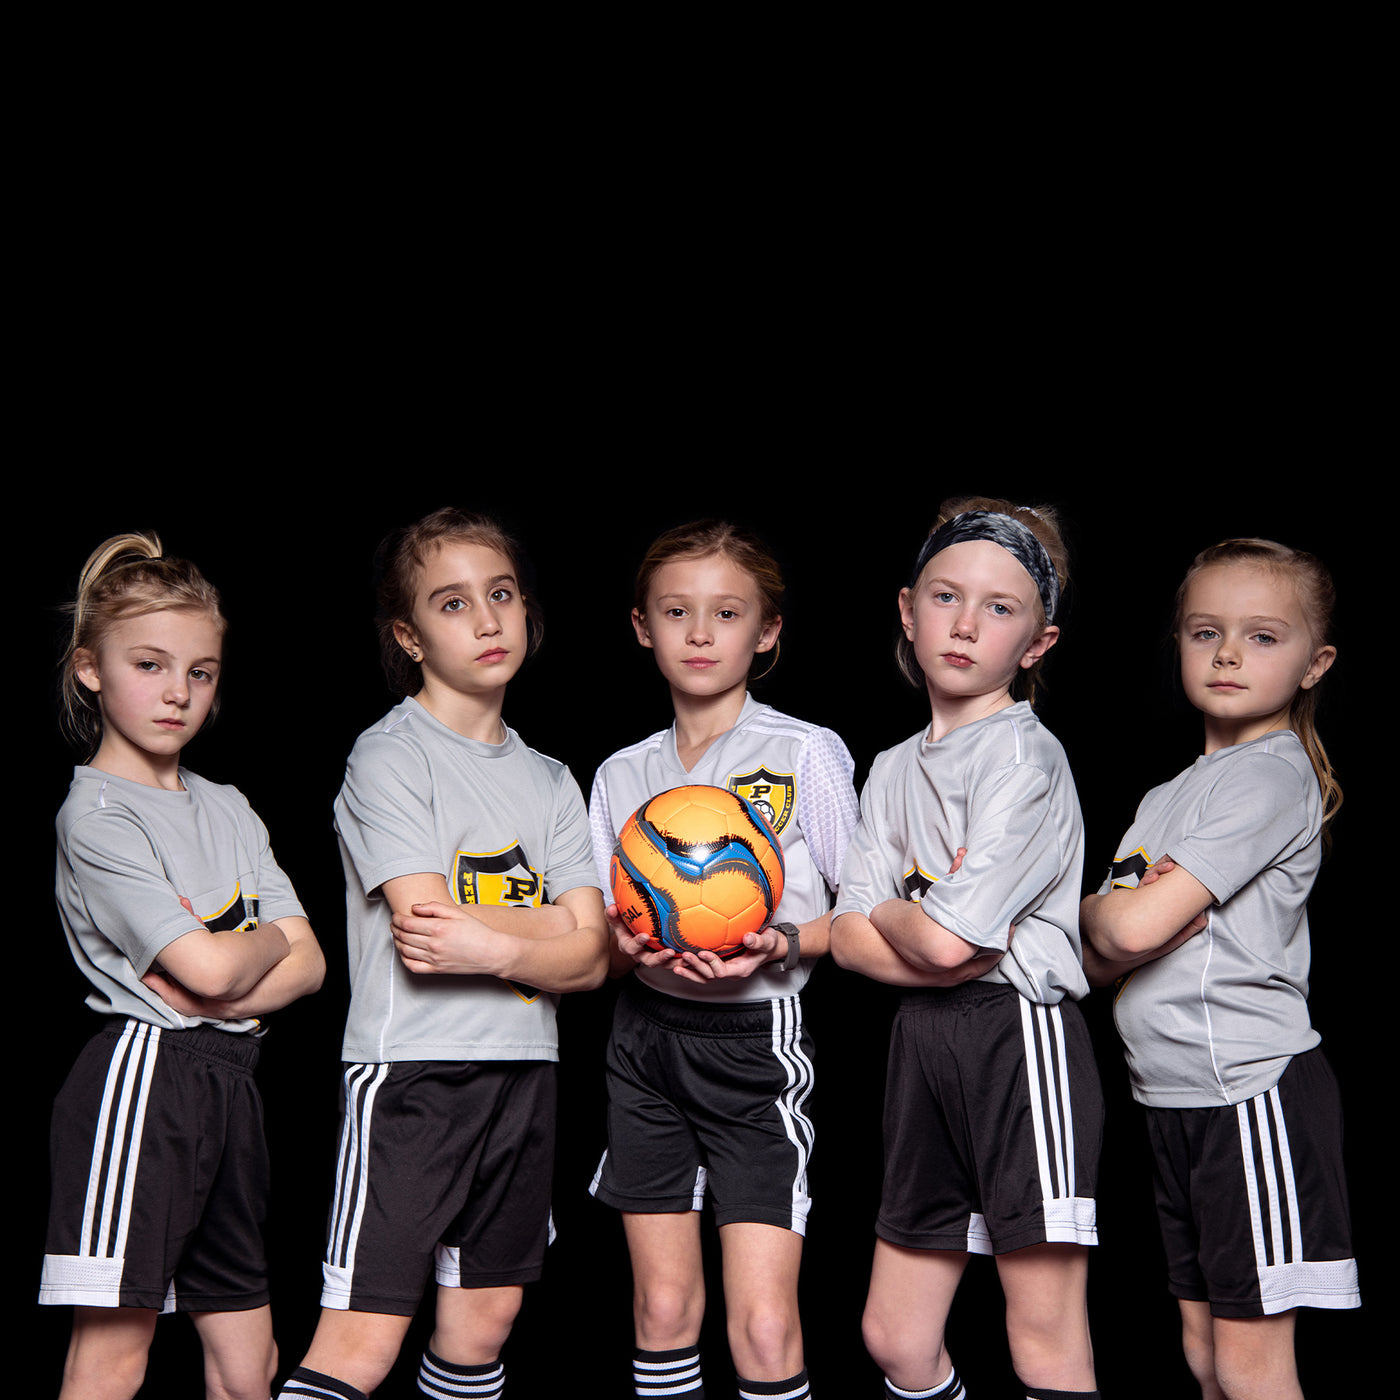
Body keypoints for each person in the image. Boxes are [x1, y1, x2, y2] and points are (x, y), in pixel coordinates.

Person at [276, 509, 609, 1400]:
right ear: (408, 634)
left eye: (501, 595)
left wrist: (499, 936)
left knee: (484, 1323)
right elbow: (427, 936)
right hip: (413, 1075)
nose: (488, 620)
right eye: (453, 603)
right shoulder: (388, 757)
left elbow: (597, 956)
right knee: (362, 1341)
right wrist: (553, 926)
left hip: (527, 1072)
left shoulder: (549, 778)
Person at [42, 532, 325, 1400]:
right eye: (150, 664)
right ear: (91, 669)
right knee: (115, 1359)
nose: (177, 693)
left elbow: (310, 962)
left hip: (232, 1081)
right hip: (143, 1083)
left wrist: (249, 963)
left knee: (251, 1370)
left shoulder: (229, 804)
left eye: (199, 672)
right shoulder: (96, 815)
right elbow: (208, 969)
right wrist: (255, 953)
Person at [830, 497, 1102, 1400]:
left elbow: (943, 942)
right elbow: (846, 936)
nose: (965, 623)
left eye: (999, 608)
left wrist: (910, 915)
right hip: (924, 1042)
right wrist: (931, 914)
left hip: (1017, 1037)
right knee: (893, 1337)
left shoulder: (1024, 760)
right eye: (947, 597)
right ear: (908, 610)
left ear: (1037, 643)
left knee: (1042, 1336)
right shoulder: (892, 767)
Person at [1079, 538, 1359, 1400]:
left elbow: (1125, 931)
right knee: (1203, 1353)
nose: (1229, 652)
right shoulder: (1165, 797)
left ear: (1315, 664)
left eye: (1263, 636)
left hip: (1252, 1094)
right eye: (1206, 631)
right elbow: (1096, 951)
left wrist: (1120, 920)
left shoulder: (1271, 778)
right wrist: (1116, 920)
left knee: (1250, 1367)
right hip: (1173, 1100)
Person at [587, 520, 859, 1400]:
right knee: (663, 1307)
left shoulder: (804, 752)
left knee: (766, 1324)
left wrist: (782, 943)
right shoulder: (621, 775)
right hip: (644, 1044)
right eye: (677, 611)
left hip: (756, 1044)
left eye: (727, 612)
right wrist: (625, 949)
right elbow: (610, 936)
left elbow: (860, 915)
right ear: (642, 626)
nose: (701, 633)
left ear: (767, 630)